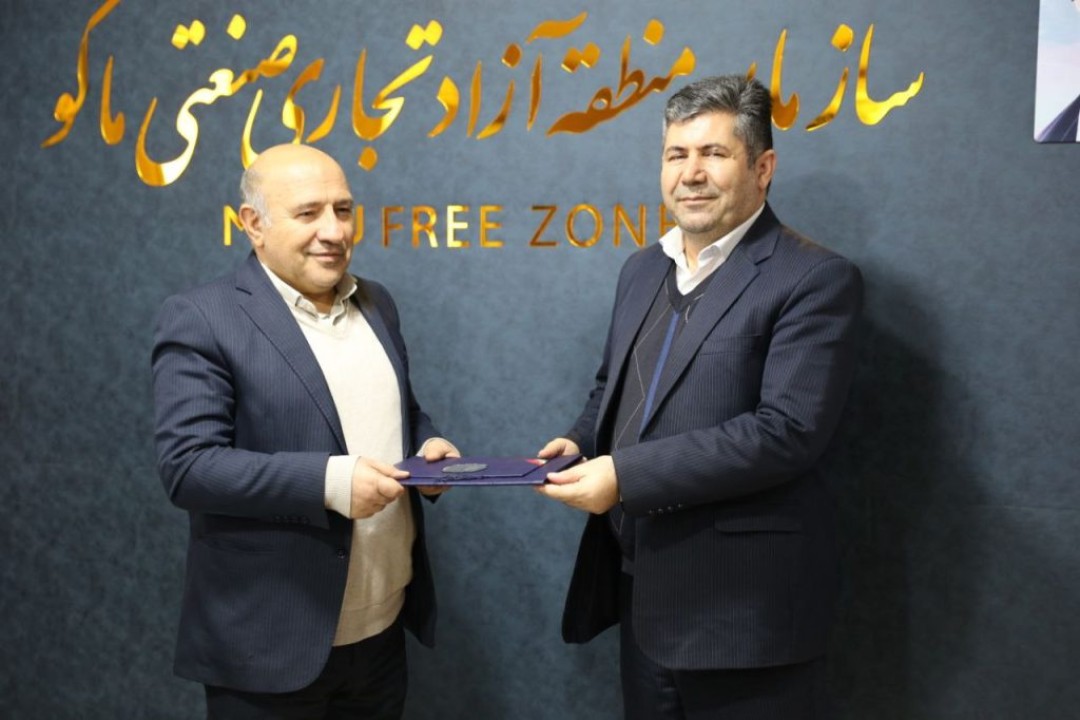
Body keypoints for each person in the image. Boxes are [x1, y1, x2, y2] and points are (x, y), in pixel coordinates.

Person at [536, 74, 863, 719]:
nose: (691, 173)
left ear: (762, 168)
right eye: (676, 154)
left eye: (714, 153)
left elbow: (786, 432)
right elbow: (615, 385)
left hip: (743, 618)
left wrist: (622, 475)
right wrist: (580, 441)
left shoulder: (814, 278)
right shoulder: (643, 269)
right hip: (642, 600)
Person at [152, 143, 458, 719]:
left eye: (343, 210)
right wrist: (332, 483)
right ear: (253, 224)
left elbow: (401, 410)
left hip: (382, 632)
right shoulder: (203, 317)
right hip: (272, 643)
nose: (334, 231)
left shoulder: (377, 303)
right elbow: (189, 467)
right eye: (308, 213)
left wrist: (426, 447)